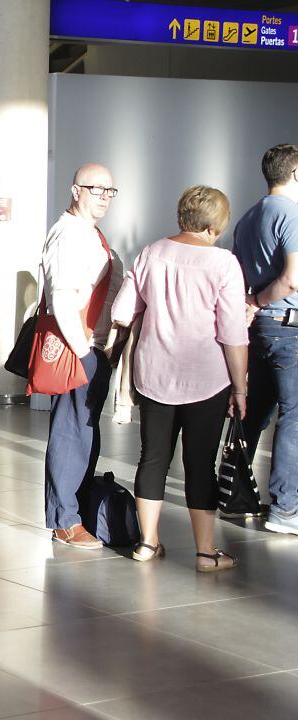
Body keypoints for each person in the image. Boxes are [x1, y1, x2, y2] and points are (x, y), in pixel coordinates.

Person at [111, 186, 247, 571]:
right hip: (207, 378)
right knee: (200, 463)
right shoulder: (224, 264)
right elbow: (233, 335)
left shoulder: (152, 252)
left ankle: (147, 543)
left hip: (154, 372)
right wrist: (240, 387)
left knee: (152, 457)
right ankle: (206, 552)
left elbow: (123, 311)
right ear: (214, 223)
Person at [40, 163, 125, 549]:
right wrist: (82, 351)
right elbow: (60, 297)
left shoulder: (90, 233)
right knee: (72, 433)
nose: (104, 197)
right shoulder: (68, 235)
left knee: (84, 433)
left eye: (110, 191)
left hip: (94, 348)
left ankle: (74, 511)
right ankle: (64, 519)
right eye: (96, 189)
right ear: (76, 190)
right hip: (81, 349)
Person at [233, 144, 298, 536]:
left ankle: (234, 495)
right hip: (287, 325)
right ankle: (285, 508)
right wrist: (259, 300)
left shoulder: (249, 216)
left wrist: (253, 304)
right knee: (294, 416)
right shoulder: (290, 213)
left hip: (260, 327)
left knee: (255, 413)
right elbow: (292, 278)